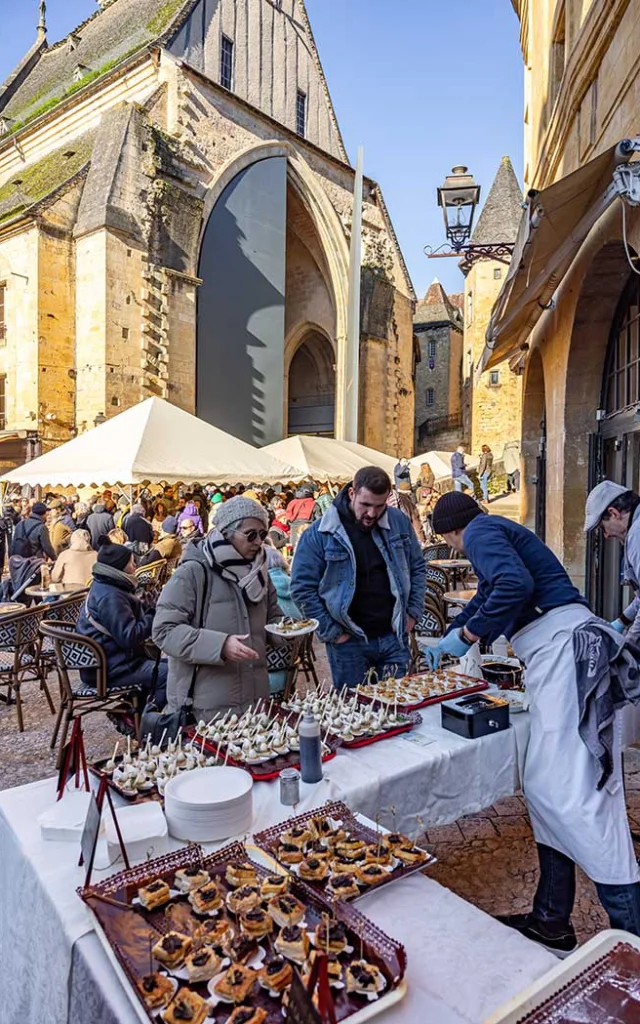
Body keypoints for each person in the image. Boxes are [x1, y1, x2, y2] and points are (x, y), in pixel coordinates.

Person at [423, 491, 640, 950]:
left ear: (450, 533)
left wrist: (465, 634)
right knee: (544, 785)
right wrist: (460, 631)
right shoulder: (497, 531)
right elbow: (491, 590)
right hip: (558, 650)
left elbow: (512, 585)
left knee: (581, 796)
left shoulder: (480, 531)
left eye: (450, 543)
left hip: (564, 650)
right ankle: (551, 921)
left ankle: (631, 933)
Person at [291, 466, 426, 690]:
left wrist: (413, 613)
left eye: (379, 506)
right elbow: (302, 588)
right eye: (366, 505)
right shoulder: (319, 534)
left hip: (394, 636)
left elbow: (417, 566)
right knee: (355, 712)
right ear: (352, 494)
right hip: (348, 642)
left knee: (399, 707)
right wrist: (332, 633)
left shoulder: (398, 521)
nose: (372, 514)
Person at [153, 496, 282, 719]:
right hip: (206, 706)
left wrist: (286, 631)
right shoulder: (193, 572)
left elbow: (272, 619)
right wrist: (220, 645)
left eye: (263, 534)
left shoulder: (261, 572)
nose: (258, 542)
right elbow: (164, 631)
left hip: (255, 701)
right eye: (251, 534)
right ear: (226, 532)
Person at [76, 541, 167, 707]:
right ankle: (149, 723)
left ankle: (132, 713)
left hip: (111, 661)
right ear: (120, 567)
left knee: (178, 666)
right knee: (168, 675)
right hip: (109, 669)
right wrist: (153, 612)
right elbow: (129, 637)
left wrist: (144, 607)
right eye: (132, 562)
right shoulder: (110, 596)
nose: (135, 566)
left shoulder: (107, 586)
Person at [584, 482, 640, 641]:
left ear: (614, 513)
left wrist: (628, 645)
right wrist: (621, 621)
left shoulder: (637, 534)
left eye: (603, 527)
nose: (606, 535)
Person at [286, 484, 316, 549]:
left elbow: (288, 519)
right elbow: (319, 520)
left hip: (294, 533)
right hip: (308, 532)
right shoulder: (313, 504)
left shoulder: (292, 503)